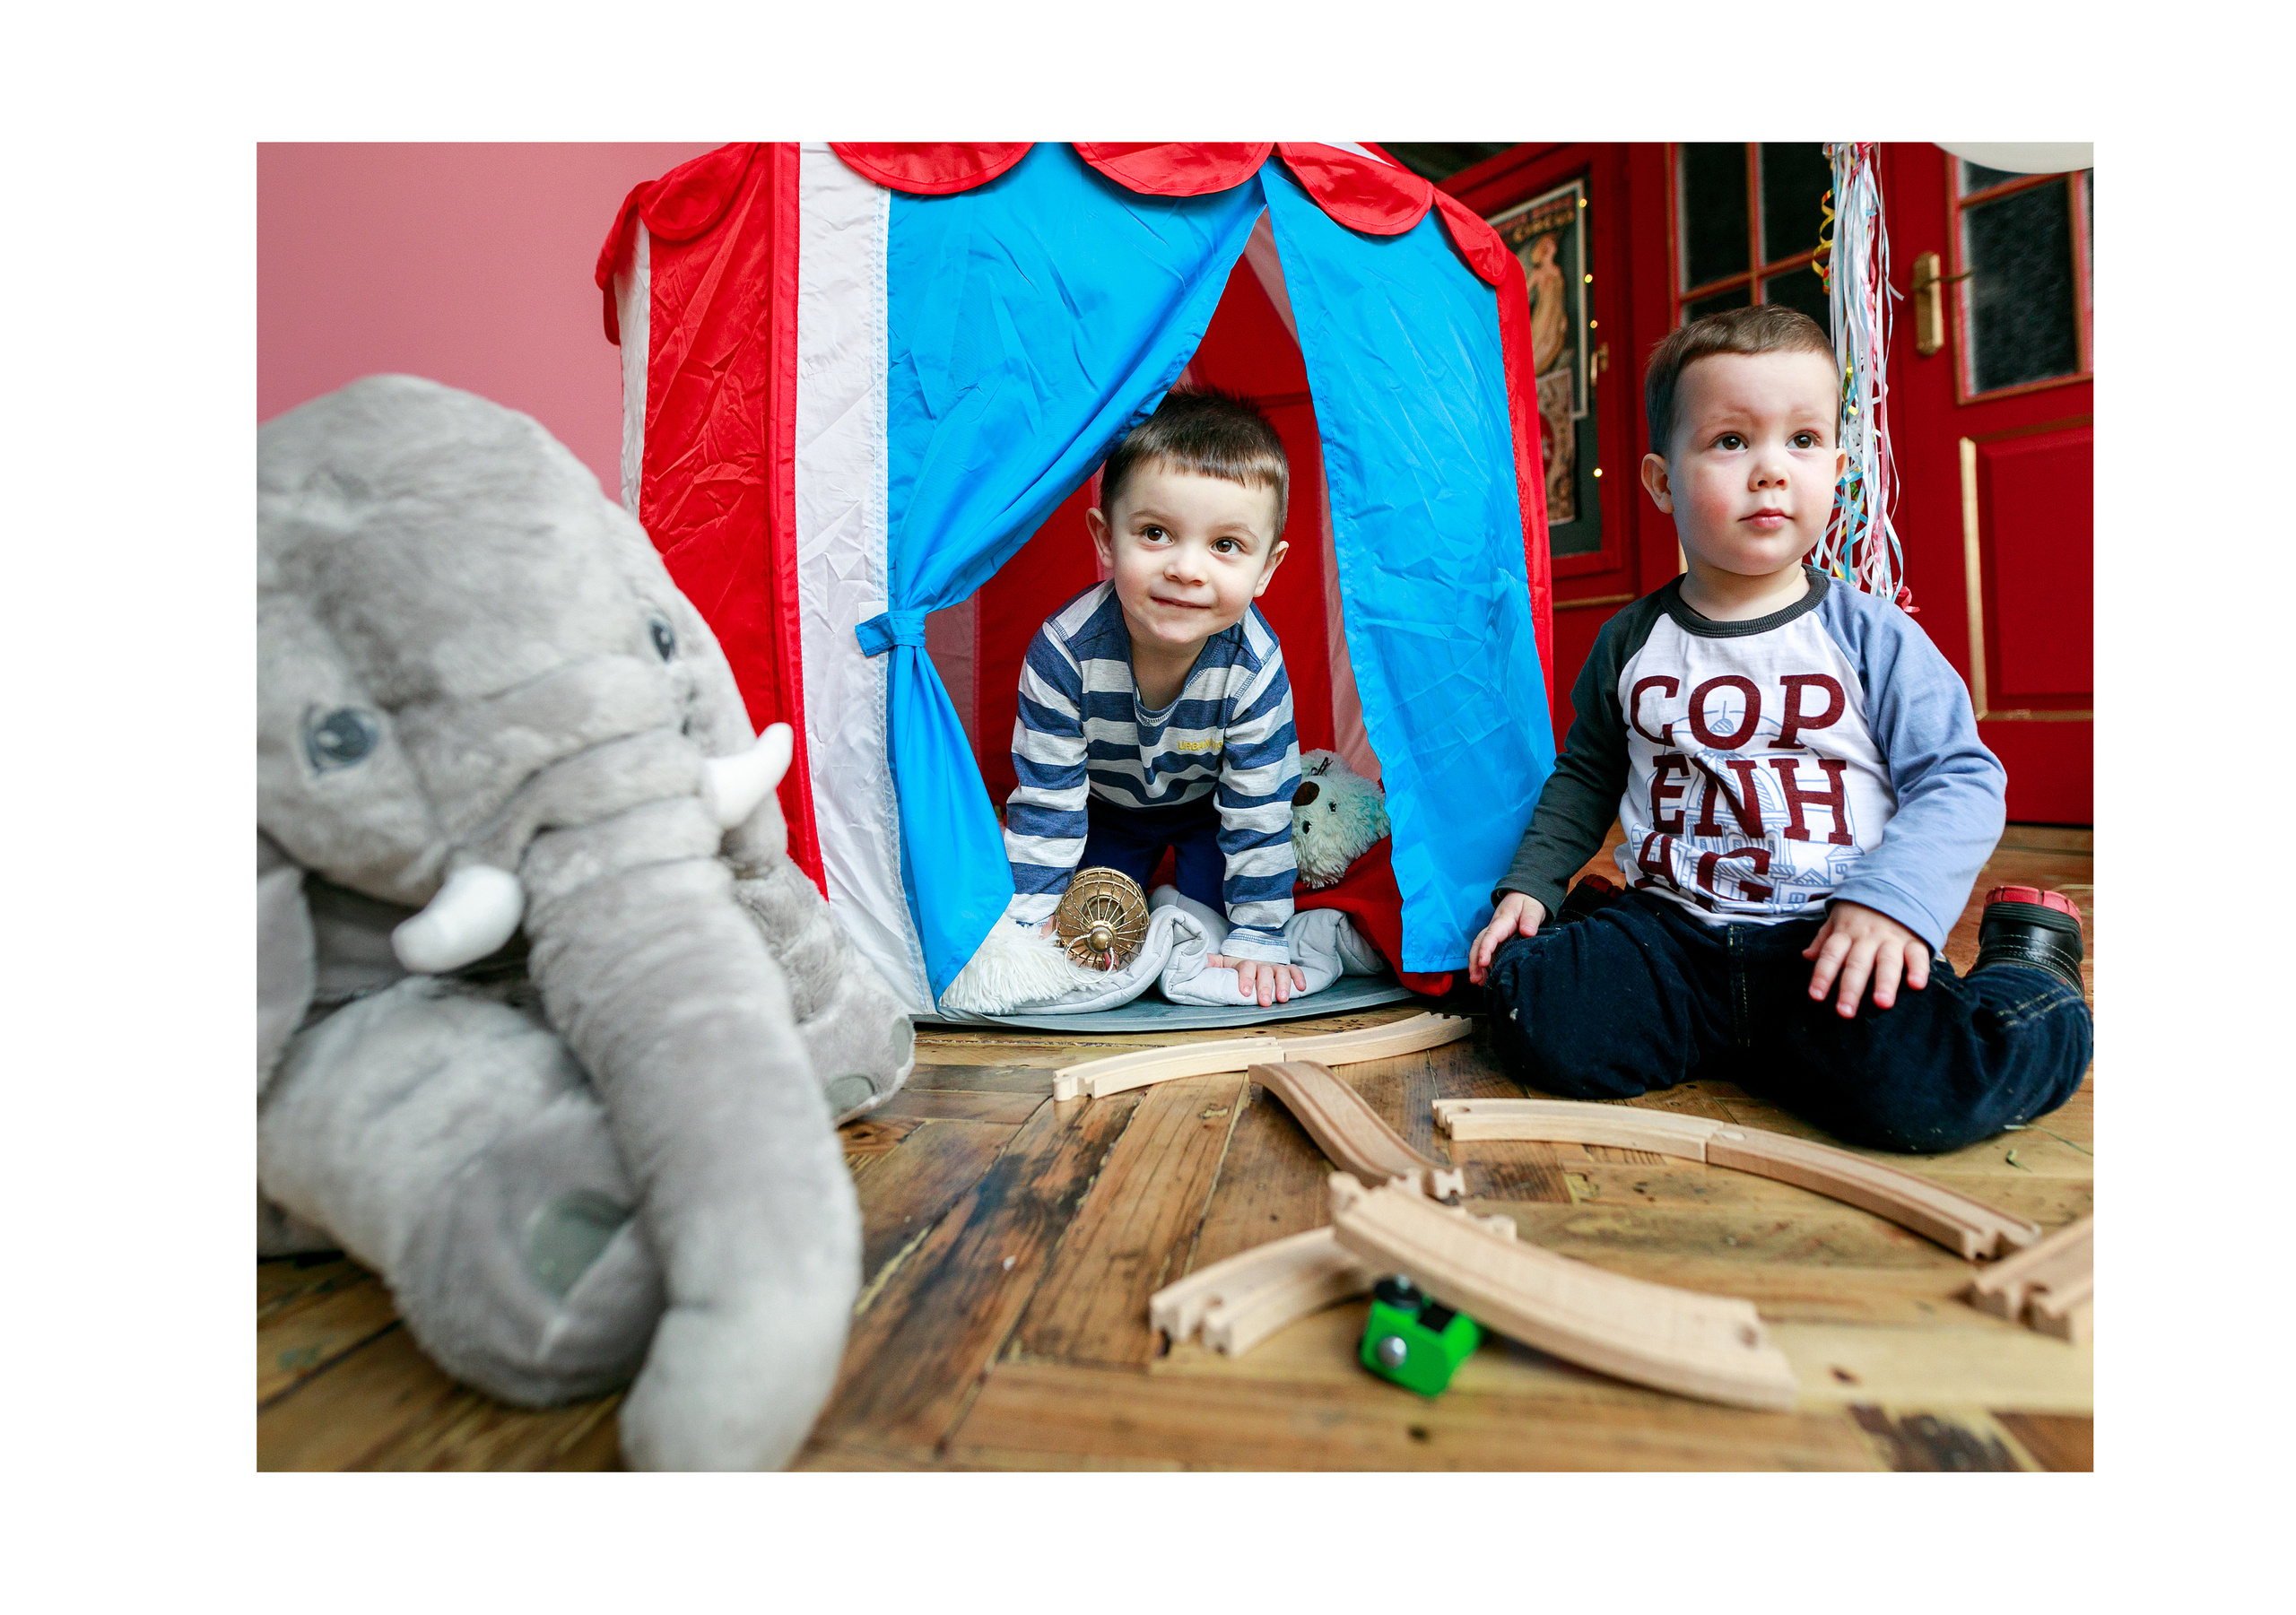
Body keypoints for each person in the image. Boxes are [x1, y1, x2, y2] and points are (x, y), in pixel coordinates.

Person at [1465, 305, 2090, 1153]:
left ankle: (2033, 964)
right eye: (1730, 442)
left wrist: (1895, 905)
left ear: (1837, 465)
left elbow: (1962, 778)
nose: (1769, 471)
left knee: (1938, 1090)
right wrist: (1531, 887)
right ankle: (1596, 924)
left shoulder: (1869, 635)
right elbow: (1586, 774)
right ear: (1659, 480)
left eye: (1801, 441)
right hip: (1674, 933)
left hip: (1832, 931)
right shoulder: (1632, 642)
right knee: (1525, 1017)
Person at [1003, 388, 1309, 1008]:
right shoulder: (1064, 652)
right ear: (1105, 538)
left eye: (1226, 545)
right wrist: (1023, 932)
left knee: (1214, 928)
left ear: (1267, 568)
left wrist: (1261, 934)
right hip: (1103, 806)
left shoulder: (1254, 667)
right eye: (1155, 533)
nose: (1188, 569)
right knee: (1089, 927)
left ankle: (1195, 905)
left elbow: (1259, 809)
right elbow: (1047, 801)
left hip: (1208, 810)